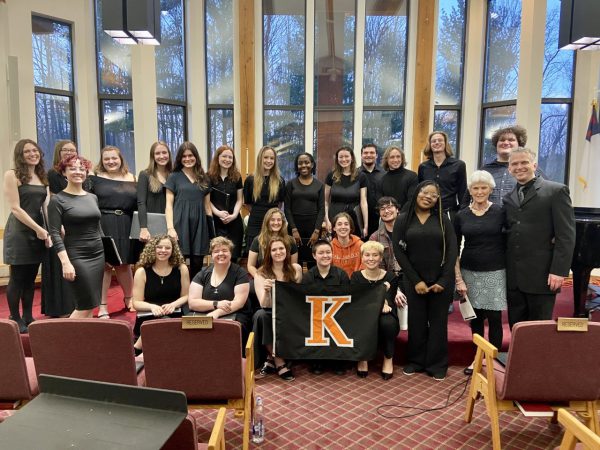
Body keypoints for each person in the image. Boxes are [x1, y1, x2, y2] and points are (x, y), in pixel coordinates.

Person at [393, 180, 458, 381]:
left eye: (433, 194)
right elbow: (399, 252)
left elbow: (452, 251)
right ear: (417, 193)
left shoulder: (442, 219)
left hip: (440, 281)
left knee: (438, 323)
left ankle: (437, 364)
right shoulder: (403, 219)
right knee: (417, 322)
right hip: (414, 281)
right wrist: (415, 281)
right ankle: (416, 362)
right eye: (425, 192)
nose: (428, 196)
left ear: (437, 200)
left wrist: (444, 280)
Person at [504, 147, 575, 328]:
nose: (519, 167)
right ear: (509, 169)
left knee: (539, 331)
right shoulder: (508, 198)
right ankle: (519, 358)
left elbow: (565, 236)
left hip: (542, 275)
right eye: (514, 164)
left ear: (534, 165)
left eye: (524, 162)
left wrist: (559, 270)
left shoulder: (556, 191)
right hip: (514, 277)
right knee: (517, 328)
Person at [454, 170, 507, 375]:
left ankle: (492, 362)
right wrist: (458, 279)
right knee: (474, 319)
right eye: (475, 188)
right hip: (469, 271)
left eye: (483, 187)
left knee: (494, 319)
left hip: (495, 271)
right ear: (470, 190)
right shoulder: (462, 215)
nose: (479, 191)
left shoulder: (500, 212)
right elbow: (455, 248)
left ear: (491, 190)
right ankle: (477, 359)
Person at [48, 155, 104, 319]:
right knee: (85, 305)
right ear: (64, 173)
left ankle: (83, 342)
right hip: (76, 256)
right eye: (72, 168)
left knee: (92, 303)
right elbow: (55, 233)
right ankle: (63, 342)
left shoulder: (92, 197)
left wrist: (108, 253)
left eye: (81, 168)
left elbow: (97, 227)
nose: (78, 172)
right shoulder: (57, 200)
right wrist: (65, 263)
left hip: (98, 254)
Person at [3, 139, 50, 333]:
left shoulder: (41, 176)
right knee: (17, 278)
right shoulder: (12, 175)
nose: (32, 154)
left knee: (31, 278)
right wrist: (38, 229)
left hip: (38, 231)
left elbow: (45, 207)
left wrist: (52, 228)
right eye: (27, 152)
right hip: (19, 231)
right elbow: (15, 208)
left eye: (35, 150)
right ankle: (14, 316)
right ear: (20, 156)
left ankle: (28, 316)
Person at [90, 146, 137, 318]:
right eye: (106, 158)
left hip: (126, 222)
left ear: (121, 158)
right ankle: (102, 306)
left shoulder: (133, 177)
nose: (110, 161)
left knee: (125, 264)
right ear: (102, 161)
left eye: (114, 158)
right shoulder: (94, 179)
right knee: (105, 266)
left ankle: (129, 298)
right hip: (103, 222)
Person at [253, 237, 302, 381]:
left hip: (290, 310)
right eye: (274, 249)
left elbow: (298, 296)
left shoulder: (296, 269)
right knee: (260, 315)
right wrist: (268, 291)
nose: (278, 252)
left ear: (287, 251)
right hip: (270, 310)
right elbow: (264, 304)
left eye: (281, 249)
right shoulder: (261, 273)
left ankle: (270, 358)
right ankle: (279, 361)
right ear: (269, 253)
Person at [188, 237, 251, 345]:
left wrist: (217, 313)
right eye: (216, 251)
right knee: (186, 326)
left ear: (231, 253)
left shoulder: (240, 273)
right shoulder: (202, 274)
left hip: (234, 314)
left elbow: (238, 303)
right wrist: (216, 304)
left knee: (224, 330)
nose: (220, 253)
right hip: (205, 314)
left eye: (225, 250)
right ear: (211, 255)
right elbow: (192, 303)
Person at [132, 235, 190, 354]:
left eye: (167, 248)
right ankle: (140, 351)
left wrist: (173, 304)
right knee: (160, 324)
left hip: (174, 313)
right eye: (159, 247)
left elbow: (186, 295)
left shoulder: (181, 268)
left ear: (173, 250)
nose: (163, 251)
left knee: (165, 324)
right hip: (148, 315)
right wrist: (152, 306)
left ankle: (138, 350)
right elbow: (136, 303)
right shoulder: (141, 272)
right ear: (153, 249)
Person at [43, 140, 81, 318]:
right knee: (61, 267)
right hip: (61, 225)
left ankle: (74, 306)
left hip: (76, 226)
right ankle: (59, 308)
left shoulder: (78, 173)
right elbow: (52, 200)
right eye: (65, 150)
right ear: (58, 152)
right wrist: (60, 225)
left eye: (72, 150)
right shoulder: (52, 174)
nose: (68, 152)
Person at [302, 239, 350, 375]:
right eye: (321, 253)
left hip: (337, 316)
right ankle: (318, 360)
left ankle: (338, 360)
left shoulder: (341, 275)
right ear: (314, 255)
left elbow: (349, 299)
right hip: (316, 316)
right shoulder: (308, 277)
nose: (325, 255)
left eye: (328, 252)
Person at [165, 141, 213, 279]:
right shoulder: (174, 177)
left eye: (190, 155)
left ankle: (195, 292)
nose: (187, 159)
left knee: (198, 262)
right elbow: (168, 205)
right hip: (180, 223)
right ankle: (181, 294)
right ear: (180, 158)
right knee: (179, 261)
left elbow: (207, 207)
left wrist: (212, 234)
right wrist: (170, 228)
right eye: (184, 156)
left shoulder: (204, 178)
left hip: (200, 225)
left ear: (196, 157)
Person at [352, 241, 399, 380]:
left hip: (385, 314)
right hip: (362, 314)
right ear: (362, 257)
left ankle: (388, 359)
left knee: (388, 323)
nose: (371, 258)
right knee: (361, 321)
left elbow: (389, 303)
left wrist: (382, 301)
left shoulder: (391, 277)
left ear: (380, 258)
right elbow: (358, 302)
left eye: (375, 255)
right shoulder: (356, 277)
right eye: (367, 255)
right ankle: (362, 358)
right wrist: (379, 302)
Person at [466, 125, 545, 206]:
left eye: (511, 140)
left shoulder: (531, 170)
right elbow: (469, 197)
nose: (506, 143)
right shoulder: (484, 171)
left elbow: (545, 195)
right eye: (502, 140)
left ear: (519, 145)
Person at [243, 146, 285, 256]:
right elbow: (247, 203)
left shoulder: (280, 180)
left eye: (272, 158)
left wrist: (271, 216)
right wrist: (258, 213)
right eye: (266, 157)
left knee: (273, 254)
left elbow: (280, 203)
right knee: (255, 255)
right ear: (260, 159)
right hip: (255, 222)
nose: (269, 161)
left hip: (273, 223)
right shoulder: (250, 180)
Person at [284, 152, 324, 268]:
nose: (303, 165)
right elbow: (287, 209)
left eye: (306, 162)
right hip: (294, 226)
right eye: (300, 163)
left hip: (313, 227)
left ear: (312, 164)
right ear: (297, 166)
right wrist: (294, 229)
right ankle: (297, 285)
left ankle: (312, 285)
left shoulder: (319, 185)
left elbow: (322, 209)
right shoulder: (290, 184)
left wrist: (317, 231)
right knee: (295, 262)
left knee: (313, 260)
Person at [418, 131, 466, 221]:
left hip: (450, 213)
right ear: (430, 145)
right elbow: (420, 192)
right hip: (428, 213)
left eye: (440, 140)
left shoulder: (459, 165)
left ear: (445, 144)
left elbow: (463, 193)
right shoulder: (423, 167)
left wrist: (461, 213)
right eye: (434, 141)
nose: (437, 142)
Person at [207, 145, 244, 260]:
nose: (227, 160)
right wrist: (218, 213)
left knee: (233, 256)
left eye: (230, 157)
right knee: (219, 255)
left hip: (234, 222)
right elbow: (207, 201)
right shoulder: (208, 176)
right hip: (216, 222)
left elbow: (239, 200)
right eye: (224, 156)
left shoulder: (237, 177)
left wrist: (234, 215)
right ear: (218, 157)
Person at [324, 146, 368, 238]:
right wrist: (326, 220)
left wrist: (365, 225)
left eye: (346, 156)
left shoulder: (361, 176)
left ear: (352, 158)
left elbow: (363, 202)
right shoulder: (331, 176)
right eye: (341, 157)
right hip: (334, 217)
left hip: (354, 217)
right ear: (337, 159)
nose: (344, 159)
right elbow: (325, 201)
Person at [137, 141, 173, 242]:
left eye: (164, 152)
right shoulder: (145, 175)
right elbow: (141, 203)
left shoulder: (174, 175)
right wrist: (143, 228)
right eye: (157, 153)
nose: (162, 156)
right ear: (153, 156)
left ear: (169, 154)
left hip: (172, 225)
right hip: (152, 225)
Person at [247, 208, 298, 278]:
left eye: (279, 220)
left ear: (283, 222)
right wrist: (260, 279)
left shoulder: (291, 240)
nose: (276, 223)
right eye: (272, 220)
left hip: (285, 279)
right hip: (263, 277)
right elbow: (250, 266)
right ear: (267, 222)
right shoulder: (258, 240)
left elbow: (294, 265)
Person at [359, 144, 385, 237]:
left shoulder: (384, 173)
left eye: (372, 153)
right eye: (365, 153)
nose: (368, 155)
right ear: (361, 155)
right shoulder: (355, 174)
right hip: (360, 217)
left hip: (380, 217)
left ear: (377, 155)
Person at [380, 146, 418, 211]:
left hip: (407, 216)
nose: (395, 160)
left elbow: (412, 200)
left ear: (402, 158)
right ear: (387, 160)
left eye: (398, 156)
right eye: (392, 157)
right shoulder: (382, 180)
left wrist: (400, 215)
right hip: (388, 216)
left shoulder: (412, 176)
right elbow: (381, 202)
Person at [330, 212, 363, 278]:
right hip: (337, 284)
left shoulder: (360, 245)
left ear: (350, 227)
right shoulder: (330, 247)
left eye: (346, 224)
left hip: (357, 282)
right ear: (334, 228)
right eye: (339, 224)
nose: (343, 227)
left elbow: (364, 266)